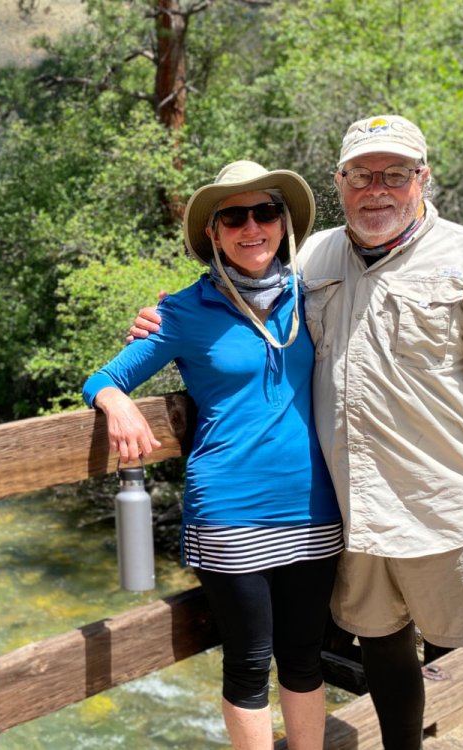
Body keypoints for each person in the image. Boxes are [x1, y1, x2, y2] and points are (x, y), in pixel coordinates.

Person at [128, 115, 463, 750]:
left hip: (448, 509)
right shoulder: (315, 256)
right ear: (339, 182)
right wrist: (161, 319)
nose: (376, 189)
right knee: (383, 648)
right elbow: (242, 278)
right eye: (361, 174)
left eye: (395, 174)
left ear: (424, 179)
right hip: (351, 513)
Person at [84, 160, 342, 750]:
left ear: (283, 222)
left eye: (265, 212)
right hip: (230, 510)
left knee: (304, 656)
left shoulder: (315, 295)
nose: (252, 227)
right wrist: (116, 402)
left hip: (315, 506)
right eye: (234, 217)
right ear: (213, 233)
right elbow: (103, 378)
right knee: (250, 663)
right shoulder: (181, 311)